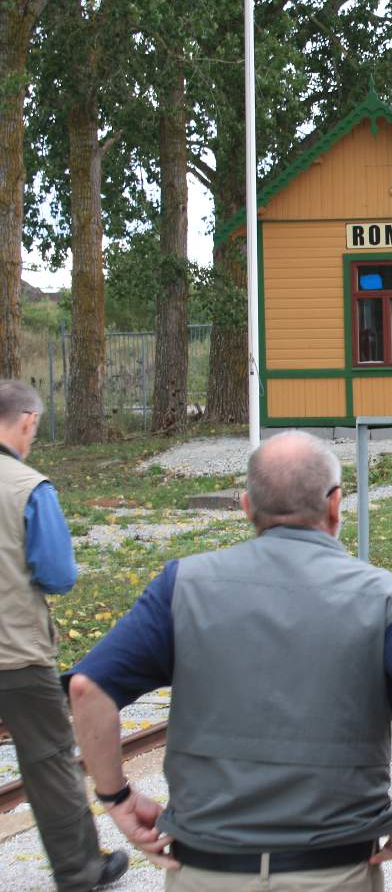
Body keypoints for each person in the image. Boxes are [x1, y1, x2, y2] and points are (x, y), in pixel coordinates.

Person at [66, 431, 392, 890]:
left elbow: (87, 689)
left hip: (206, 872)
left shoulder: (182, 586)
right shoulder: (385, 599)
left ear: (246, 506)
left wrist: (116, 795)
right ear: (335, 504)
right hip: (333, 872)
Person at [0, 380, 130, 892]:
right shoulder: (29, 487)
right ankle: (80, 869)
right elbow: (57, 575)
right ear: (28, 420)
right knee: (49, 759)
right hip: (16, 652)